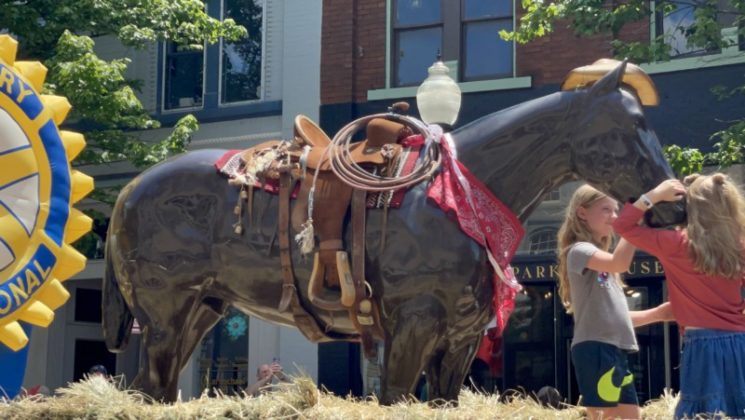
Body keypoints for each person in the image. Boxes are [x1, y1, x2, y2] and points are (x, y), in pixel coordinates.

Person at [613, 174, 745, 419]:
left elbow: (623, 227)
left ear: (690, 208)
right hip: (739, 341)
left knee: (703, 412)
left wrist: (653, 196)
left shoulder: (676, 244)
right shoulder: (739, 245)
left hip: (702, 343)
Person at [557, 184, 674, 420]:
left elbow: (614, 318)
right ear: (582, 213)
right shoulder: (578, 250)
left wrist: (660, 313)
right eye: (606, 210)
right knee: (606, 416)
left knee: (631, 416)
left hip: (609, 349)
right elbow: (620, 263)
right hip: (597, 349)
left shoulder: (602, 263)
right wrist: (640, 211)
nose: (614, 217)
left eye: (616, 210)